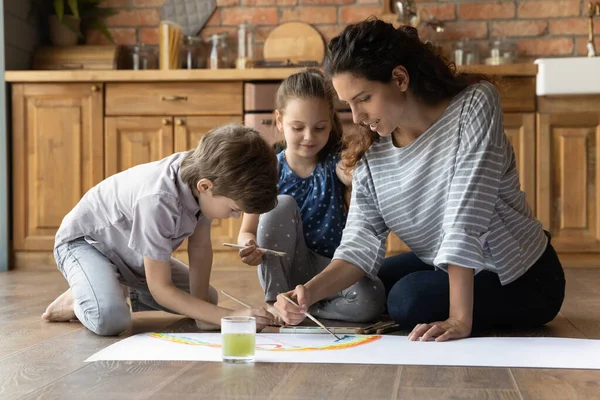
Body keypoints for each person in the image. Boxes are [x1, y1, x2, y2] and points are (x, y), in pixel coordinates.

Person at [273, 18, 566, 342]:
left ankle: (456, 303)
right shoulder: (373, 157)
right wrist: (307, 293)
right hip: (450, 263)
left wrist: (459, 319)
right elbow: (359, 244)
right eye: (348, 105)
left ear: (399, 78)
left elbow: (465, 215)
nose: (356, 117)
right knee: (371, 283)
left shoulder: (474, 105)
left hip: (521, 275)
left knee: (405, 300)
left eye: (364, 99)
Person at [42, 124, 278, 336]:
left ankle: (106, 287)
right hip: (85, 245)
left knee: (207, 299)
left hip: (129, 255)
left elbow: (200, 247)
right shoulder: (159, 200)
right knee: (110, 319)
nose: (235, 216)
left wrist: (205, 317)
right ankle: (78, 301)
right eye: (234, 209)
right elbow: (160, 289)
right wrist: (229, 317)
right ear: (205, 186)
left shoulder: (206, 177)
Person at [237, 69, 386, 323]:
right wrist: (247, 246)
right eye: (298, 128)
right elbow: (247, 231)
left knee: (372, 297)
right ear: (279, 121)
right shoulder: (269, 171)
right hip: (285, 269)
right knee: (280, 204)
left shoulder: (336, 164)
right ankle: (277, 303)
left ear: (331, 123)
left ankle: (303, 310)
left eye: (319, 128)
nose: (309, 137)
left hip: (326, 272)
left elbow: (356, 175)